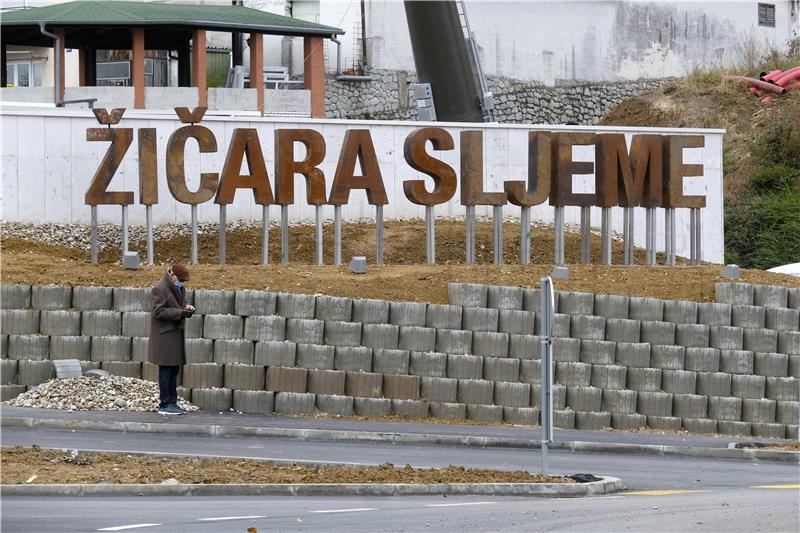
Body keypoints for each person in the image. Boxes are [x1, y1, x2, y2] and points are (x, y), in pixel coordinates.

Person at [149, 263, 195, 415]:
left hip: (175, 334)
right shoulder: (159, 288)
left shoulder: (179, 287)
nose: (181, 283)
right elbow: (158, 311)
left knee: (174, 369)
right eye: (180, 280)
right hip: (164, 336)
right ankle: (164, 404)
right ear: (173, 275)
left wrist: (187, 307)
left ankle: (172, 402)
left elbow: (181, 302)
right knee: (166, 370)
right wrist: (180, 313)